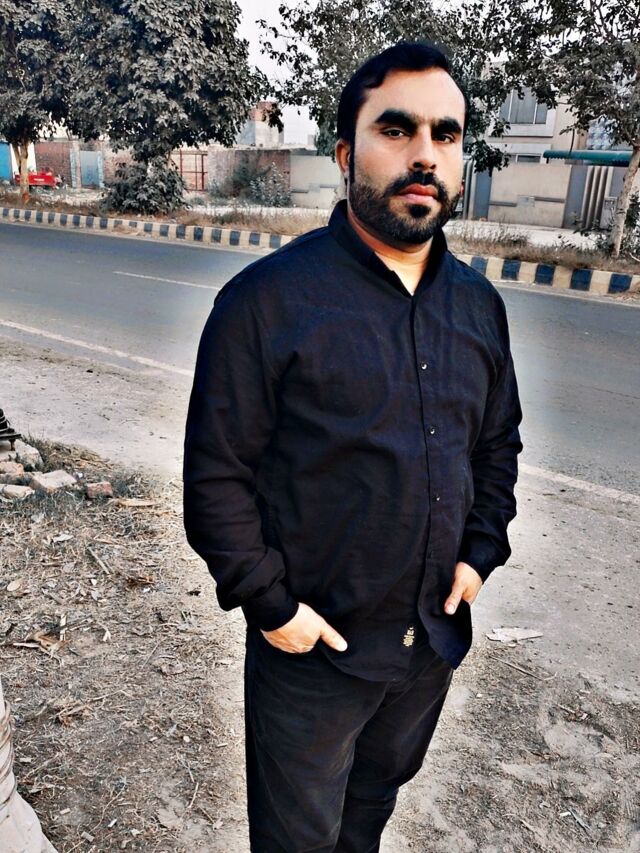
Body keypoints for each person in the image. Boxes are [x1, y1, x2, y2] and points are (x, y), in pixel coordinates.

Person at [183, 41, 523, 853]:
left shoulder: (479, 307)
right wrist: (272, 609)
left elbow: (496, 444)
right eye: (397, 130)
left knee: (368, 815)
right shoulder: (266, 303)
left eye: (446, 135)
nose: (424, 155)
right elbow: (216, 476)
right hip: (314, 656)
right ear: (345, 153)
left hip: (428, 646)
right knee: (298, 839)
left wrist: (480, 552)